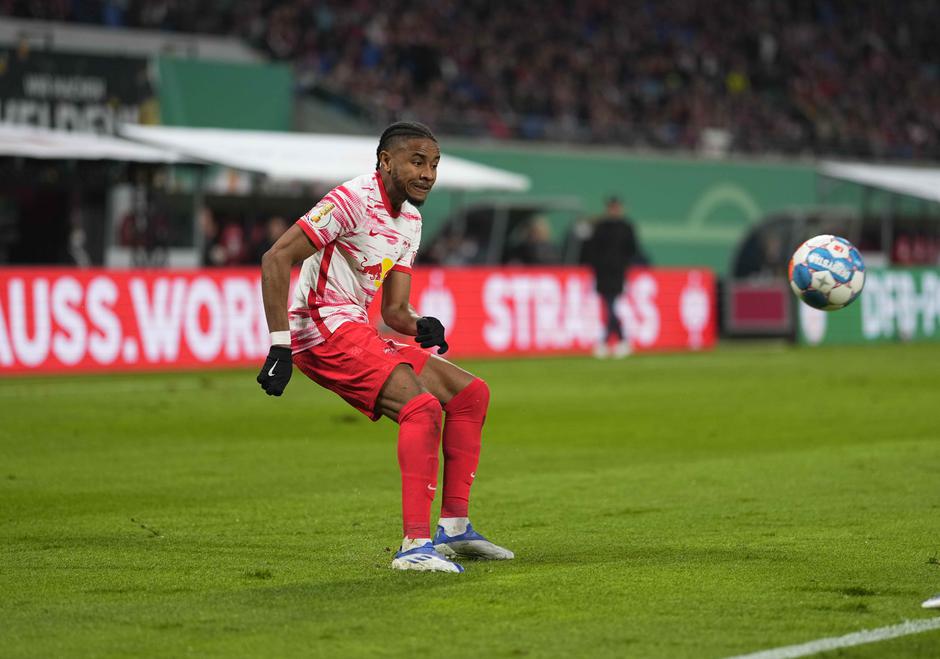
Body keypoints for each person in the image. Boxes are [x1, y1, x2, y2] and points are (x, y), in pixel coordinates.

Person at [256, 121, 513, 574]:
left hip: (356, 327)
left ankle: (453, 527)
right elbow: (276, 257)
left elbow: (395, 310)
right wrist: (279, 347)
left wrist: (421, 323)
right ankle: (414, 545)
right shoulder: (350, 200)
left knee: (471, 394)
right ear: (385, 161)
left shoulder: (410, 220)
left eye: (434, 164)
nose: (428, 173)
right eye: (417, 161)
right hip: (319, 330)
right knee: (422, 408)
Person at [581, 196, 641, 358]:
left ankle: (607, 341)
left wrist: (624, 264)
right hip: (602, 273)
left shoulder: (626, 227)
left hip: (618, 272)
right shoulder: (600, 227)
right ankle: (618, 340)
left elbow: (632, 249)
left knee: (611, 306)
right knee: (609, 306)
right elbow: (591, 249)